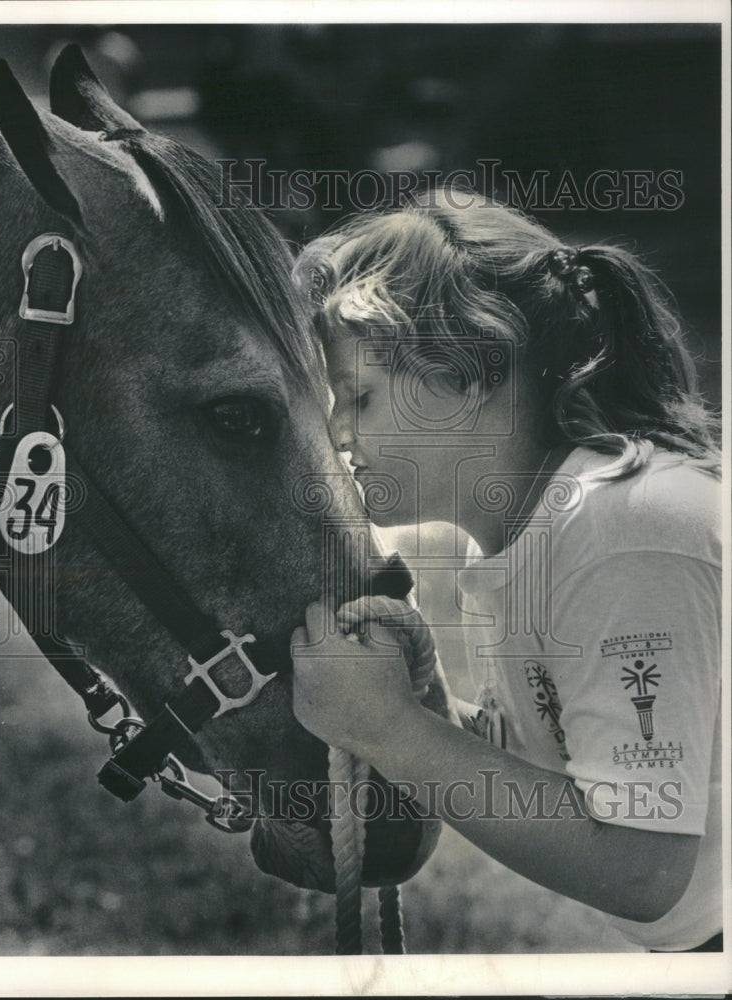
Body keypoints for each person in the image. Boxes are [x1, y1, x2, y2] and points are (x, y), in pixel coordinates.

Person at [289, 191, 722, 952]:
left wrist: (391, 728)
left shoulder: (623, 530)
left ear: (469, 372)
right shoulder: (526, 535)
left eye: (357, 394)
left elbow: (640, 869)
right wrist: (418, 700)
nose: (333, 431)